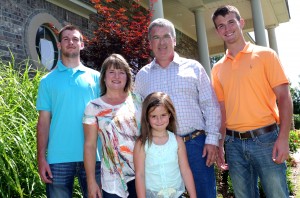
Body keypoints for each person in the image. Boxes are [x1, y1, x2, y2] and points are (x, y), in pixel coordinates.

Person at [211, 5, 293, 198]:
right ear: (217, 31)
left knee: (277, 194)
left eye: (231, 22)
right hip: (233, 145)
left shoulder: (265, 55)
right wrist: (221, 142)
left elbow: (284, 97)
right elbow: (222, 109)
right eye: (221, 25)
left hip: (266, 140)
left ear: (241, 23)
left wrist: (283, 138)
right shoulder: (217, 68)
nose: (227, 28)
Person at [134, 18, 221, 197]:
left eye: (166, 36)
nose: (162, 42)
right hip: (159, 148)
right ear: (150, 43)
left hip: (196, 145)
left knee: (204, 194)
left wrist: (212, 140)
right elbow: (137, 113)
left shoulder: (194, 68)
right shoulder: (142, 76)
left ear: (174, 40)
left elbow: (210, 104)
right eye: (156, 38)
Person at [36, 25, 101, 198]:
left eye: (75, 39)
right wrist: (41, 158)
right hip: (58, 159)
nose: (70, 42)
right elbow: (43, 122)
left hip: (93, 156)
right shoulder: (47, 81)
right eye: (65, 39)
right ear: (58, 45)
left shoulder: (97, 78)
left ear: (82, 44)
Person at [83, 54, 142, 198]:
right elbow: (90, 145)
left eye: (121, 72)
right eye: (111, 72)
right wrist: (91, 182)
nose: (117, 76)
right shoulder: (93, 107)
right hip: (112, 180)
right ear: (103, 77)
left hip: (142, 175)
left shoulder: (138, 100)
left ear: (127, 76)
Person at [133, 92, 197, 198]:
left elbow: (185, 170)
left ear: (170, 114)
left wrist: (193, 196)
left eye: (163, 115)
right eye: (154, 116)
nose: (159, 120)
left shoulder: (177, 141)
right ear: (147, 118)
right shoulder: (141, 143)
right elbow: (139, 175)